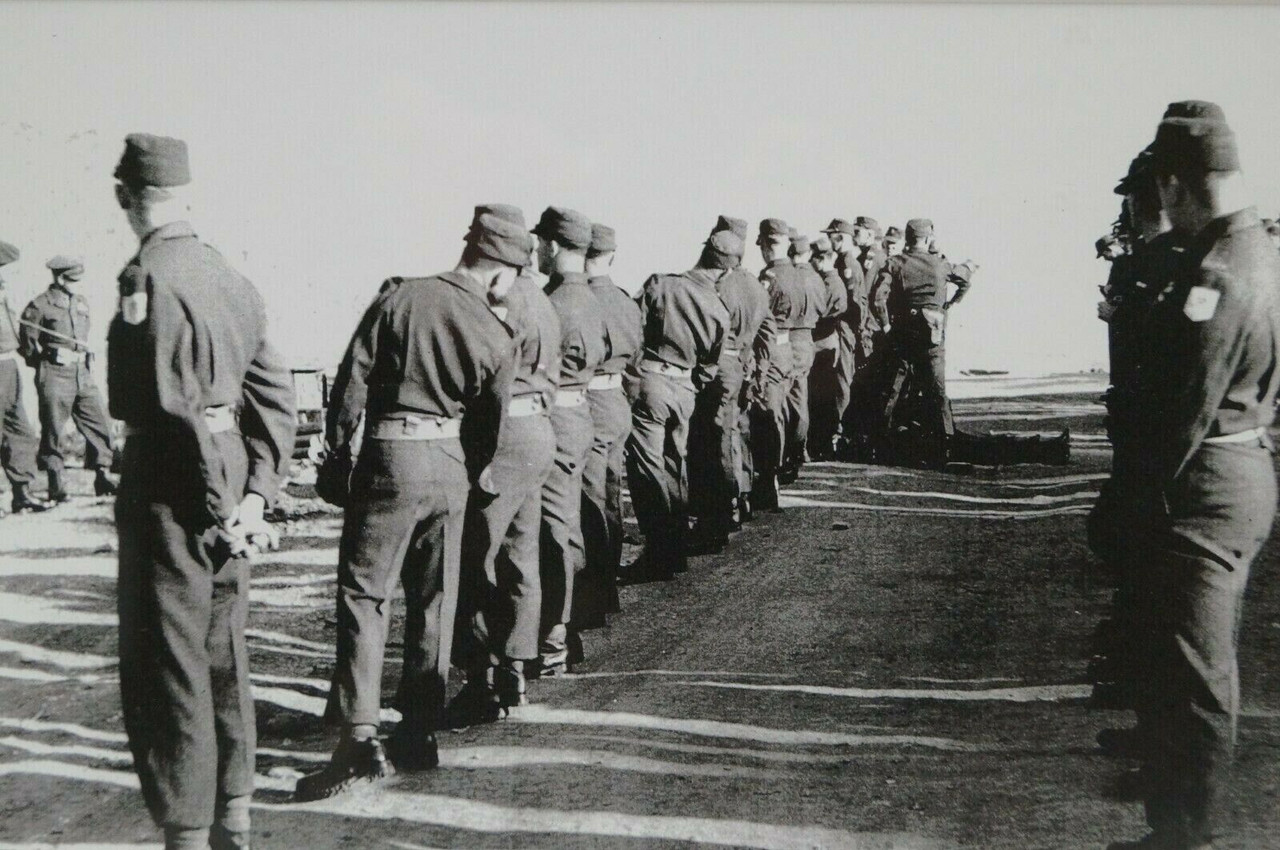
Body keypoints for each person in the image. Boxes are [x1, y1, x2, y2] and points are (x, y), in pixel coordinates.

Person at [108, 134, 297, 850]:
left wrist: (219, 508)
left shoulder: (145, 276)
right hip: (226, 474)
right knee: (223, 656)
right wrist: (254, 500)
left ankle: (188, 835)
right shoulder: (227, 274)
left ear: (125, 197)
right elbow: (274, 391)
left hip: (172, 481)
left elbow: (169, 406)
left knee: (169, 666)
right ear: (186, 195)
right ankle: (234, 821)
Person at [1103, 103, 1280, 850]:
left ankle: (1185, 835)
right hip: (1237, 469)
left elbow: (1185, 409)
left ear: (1175, 184)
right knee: (1195, 660)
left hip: (1201, 485)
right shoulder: (1260, 250)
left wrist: (1129, 502)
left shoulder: (1216, 273)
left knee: (1197, 671)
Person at [299, 208, 520, 800]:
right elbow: (489, 423)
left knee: (365, 596)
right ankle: (420, 731)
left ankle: (359, 738)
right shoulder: (497, 331)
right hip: (449, 465)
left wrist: (337, 454)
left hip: (389, 457)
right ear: (502, 274)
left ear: (469, 247)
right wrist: (464, 475)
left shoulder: (400, 297)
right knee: (436, 601)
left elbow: (351, 380)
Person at [450, 204, 560, 725]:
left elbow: (481, 382)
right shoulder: (541, 298)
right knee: (521, 553)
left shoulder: (497, 299)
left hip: (501, 435)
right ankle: (515, 667)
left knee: (475, 557)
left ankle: (480, 678)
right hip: (539, 429)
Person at [625, 231, 730, 578]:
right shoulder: (718, 307)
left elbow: (633, 332)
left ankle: (659, 552)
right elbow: (711, 364)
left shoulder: (661, 284)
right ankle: (674, 550)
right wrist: (691, 383)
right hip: (686, 388)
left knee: (647, 468)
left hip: (653, 381)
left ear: (704, 252)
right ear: (727, 270)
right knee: (674, 464)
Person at [530, 206, 606, 677]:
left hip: (554, 414)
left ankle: (554, 636)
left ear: (554, 247)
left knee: (551, 528)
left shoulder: (552, 303)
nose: (537, 251)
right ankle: (567, 624)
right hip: (580, 413)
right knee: (568, 520)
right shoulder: (595, 299)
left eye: (541, 244)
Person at [572, 223, 640, 654]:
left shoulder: (580, 300)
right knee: (609, 496)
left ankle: (592, 598)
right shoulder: (625, 300)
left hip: (590, 401)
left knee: (589, 502)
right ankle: (606, 589)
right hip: (616, 398)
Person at [688, 215, 767, 550]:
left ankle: (717, 519)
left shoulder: (717, 285)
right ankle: (735, 505)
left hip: (716, 366)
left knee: (709, 442)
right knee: (728, 436)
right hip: (738, 364)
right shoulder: (756, 286)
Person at [19, 255, 117, 501]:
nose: (77, 284)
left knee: (100, 423)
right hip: (54, 375)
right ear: (59, 278)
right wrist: (49, 357)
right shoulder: (40, 305)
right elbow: (27, 344)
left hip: (81, 374)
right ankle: (56, 484)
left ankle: (102, 475)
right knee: (53, 430)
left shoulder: (81, 302)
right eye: (72, 280)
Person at [869, 219, 964, 465]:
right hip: (933, 333)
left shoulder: (895, 263)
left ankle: (880, 444)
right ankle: (946, 445)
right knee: (937, 389)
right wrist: (950, 304)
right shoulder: (941, 264)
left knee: (893, 386)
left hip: (903, 333)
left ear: (908, 238)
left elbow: (878, 299)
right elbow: (964, 280)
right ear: (928, 237)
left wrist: (887, 325)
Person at [748, 219, 804, 511]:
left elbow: (758, 318)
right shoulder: (798, 274)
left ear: (768, 245)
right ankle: (771, 477)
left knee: (765, 416)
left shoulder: (769, 277)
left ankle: (766, 482)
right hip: (788, 348)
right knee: (777, 414)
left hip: (769, 351)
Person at [0, 241, 49, 516]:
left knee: (20, 431)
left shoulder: (4, 293)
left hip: (8, 366)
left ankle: (22, 494)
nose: (4, 274)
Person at [779, 231, 826, 482]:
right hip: (808, 338)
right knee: (799, 398)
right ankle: (798, 451)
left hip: (788, 338)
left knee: (780, 400)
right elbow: (826, 307)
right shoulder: (818, 279)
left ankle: (787, 454)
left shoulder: (788, 278)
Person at [805, 233, 846, 461]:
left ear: (820, 259)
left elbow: (820, 316)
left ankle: (821, 444)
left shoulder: (831, 284)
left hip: (822, 343)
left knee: (820, 396)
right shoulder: (829, 281)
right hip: (823, 343)